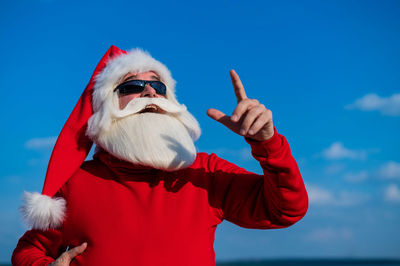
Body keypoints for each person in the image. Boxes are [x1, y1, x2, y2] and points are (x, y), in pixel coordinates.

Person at [11, 45, 308, 266]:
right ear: (107, 105)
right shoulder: (75, 183)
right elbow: (27, 251)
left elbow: (284, 210)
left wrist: (268, 142)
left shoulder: (205, 172)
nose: (150, 93)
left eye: (158, 85)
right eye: (133, 86)